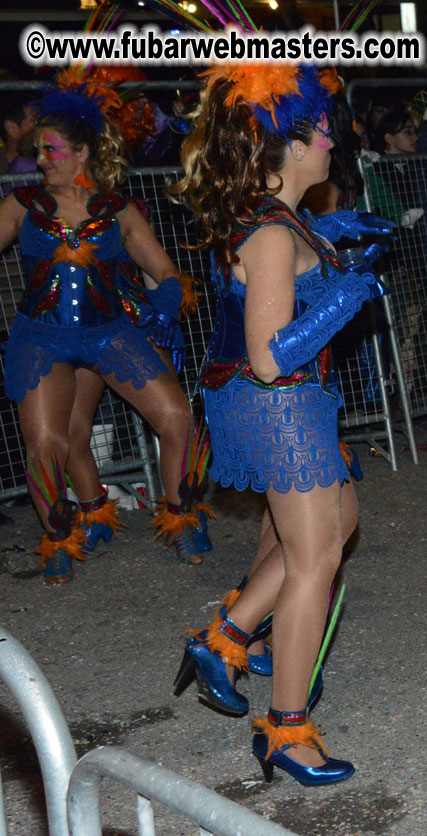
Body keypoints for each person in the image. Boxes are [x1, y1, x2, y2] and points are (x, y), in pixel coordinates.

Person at [170, 58, 391, 786]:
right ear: (292, 146)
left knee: (338, 519)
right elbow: (269, 355)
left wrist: (333, 231)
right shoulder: (269, 231)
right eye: (323, 132)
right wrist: (348, 292)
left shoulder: (281, 219)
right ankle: (286, 731)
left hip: (286, 406)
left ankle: (226, 637)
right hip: (277, 403)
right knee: (315, 561)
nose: (333, 141)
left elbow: (291, 258)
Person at [0, 69, 206, 583]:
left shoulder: (119, 211)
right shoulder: (21, 206)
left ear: (84, 153)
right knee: (51, 440)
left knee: (177, 415)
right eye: (39, 151)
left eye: (53, 150)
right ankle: (65, 534)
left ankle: (180, 517)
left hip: (109, 332)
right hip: (42, 337)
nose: (42, 160)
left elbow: (162, 269)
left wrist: (166, 300)